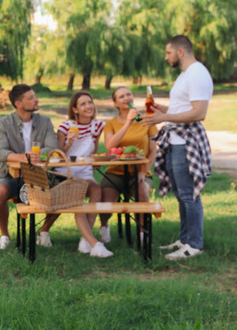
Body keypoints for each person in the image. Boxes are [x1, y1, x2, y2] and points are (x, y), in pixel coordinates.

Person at [142, 35, 212, 260]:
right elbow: (182, 106)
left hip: (186, 143)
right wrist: (161, 109)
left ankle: (194, 244)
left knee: (188, 195)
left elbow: (199, 113)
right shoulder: (185, 75)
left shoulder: (197, 73)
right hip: (174, 141)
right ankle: (184, 240)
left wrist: (164, 117)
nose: (166, 57)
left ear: (180, 52)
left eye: (168, 53)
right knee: (181, 194)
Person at [0, 84, 58, 250]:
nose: (36, 100)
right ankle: (5, 235)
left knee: (63, 191)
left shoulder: (45, 121)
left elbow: (52, 147)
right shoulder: (4, 123)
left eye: (34, 96)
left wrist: (35, 156)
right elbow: (1, 152)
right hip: (10, 175)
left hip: (40, 175)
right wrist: (23, 157)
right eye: (31, 98)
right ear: (18, 103)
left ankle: (44, 231)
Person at [98, 86, 158, 242]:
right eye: (121, 96)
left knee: (142, 192)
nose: (126, 98)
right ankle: (103, 226)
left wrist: (144, 171)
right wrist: (127, 124)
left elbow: (153, 151)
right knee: (106, 199)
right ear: (116, 103)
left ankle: (142, 232)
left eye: (128, 94)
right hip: (116, 171)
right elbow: (110, 146)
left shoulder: (147, 121)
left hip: (140, 171)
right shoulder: (111, 124)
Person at [57, 91, 112, 257]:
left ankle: (84, 239)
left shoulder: (97, 126)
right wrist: (69, 142)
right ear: (75, 109)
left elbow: (93, 152)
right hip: (66, 172)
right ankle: (93, 243)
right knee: (78, 197)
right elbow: (57, 155)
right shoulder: (65, 126)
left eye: (90, 102)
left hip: (85, 171)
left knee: (97, 190)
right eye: (83, 104)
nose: (88, 106)